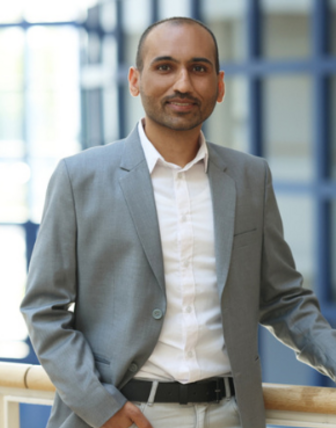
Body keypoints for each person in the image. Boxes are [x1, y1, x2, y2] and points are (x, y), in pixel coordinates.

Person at [20, 16, 336, 428]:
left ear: (219, 86)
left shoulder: (250, 177)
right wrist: (101, 406)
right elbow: (44, 308)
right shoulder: (79, 177)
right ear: (135, 80)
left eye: (198, 68)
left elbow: (284, 299)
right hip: (124, 416)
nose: (183, 84)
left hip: (230, 415)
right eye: (165, 67)